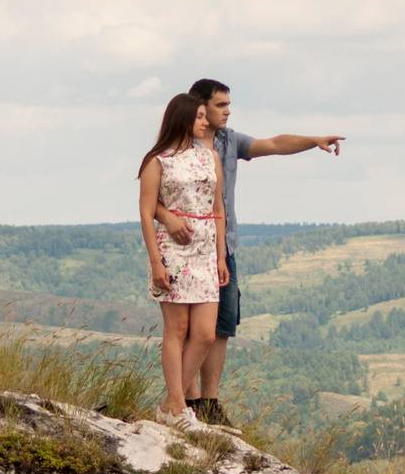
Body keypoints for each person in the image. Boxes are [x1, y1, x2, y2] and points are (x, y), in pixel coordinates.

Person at [170, 78, 343, 427]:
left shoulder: (229, 141)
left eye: (228, 105)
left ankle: (209, 402)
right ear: (200, 106)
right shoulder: (178, 146)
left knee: (222, 326)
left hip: (225, 247)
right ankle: (183, 402)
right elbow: (153, 195)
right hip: (188, 250)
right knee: (189, 329)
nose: (227, 111)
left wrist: (314, 141)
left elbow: (275, 144)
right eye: (221, 105)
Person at [137, 92, 226, 430]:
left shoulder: (210, 157)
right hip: (171, 251)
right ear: (184, 118)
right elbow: (146, 213)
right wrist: (156, 262)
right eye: (201, 116)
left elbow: (217, 209)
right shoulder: (157, 160)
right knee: (177, 330)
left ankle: (168, 406)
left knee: (204, 333)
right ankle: (177, 406)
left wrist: (220, 256)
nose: (206, 122)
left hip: (205, 250)